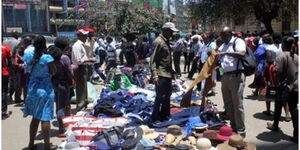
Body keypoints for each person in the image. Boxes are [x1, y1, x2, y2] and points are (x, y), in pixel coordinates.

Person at [23, 35, 57, 150]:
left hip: (32, 89)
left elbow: (26, 70)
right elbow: (54, 71)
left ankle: (31, 144)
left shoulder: (28, 56)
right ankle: (47, 146)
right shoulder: (47, 57)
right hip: (45, 89)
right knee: (45, 117)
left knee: (35, 117)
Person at [267, 36, 298, 143]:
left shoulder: (281, 56)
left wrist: (272, 68)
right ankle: (297, 134)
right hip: (295, 87)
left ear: (284, 45)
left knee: (278, 106)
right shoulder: (297, 57)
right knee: (294, 109)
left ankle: (275, 125)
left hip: (283, 87)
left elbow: (277, 71)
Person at [217, 27, 247, 137]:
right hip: (225, 76)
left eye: (224, 35)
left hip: (236, 76)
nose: (222, 37)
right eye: (221, 35)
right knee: (228, 104)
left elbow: (242, 54)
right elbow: (218, 55)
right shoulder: (223, 44)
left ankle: (241, 131)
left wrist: (226, 53)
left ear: (229, 33)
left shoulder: (237, 41)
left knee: (237, 104)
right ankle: (233, 127)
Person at [150, 22, 178, 122]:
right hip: (161, 74)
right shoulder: (158, 42)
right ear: (166, 31)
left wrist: (172, 71)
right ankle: (155, 117)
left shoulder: (165, 41)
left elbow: (166, 60)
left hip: (167, 73)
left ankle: (165, 116)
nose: (172, 34)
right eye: (171, 32)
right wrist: (154, 74)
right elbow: (152, 60)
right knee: (160, 97)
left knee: (167, 96)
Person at [72, 29, 95, 110]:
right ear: (79, 36)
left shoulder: (82, 45)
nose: (86, 37)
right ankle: (80, 106)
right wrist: (90, 60)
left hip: (83, 67)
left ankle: (84, 104)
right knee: (80, 88)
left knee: (84, 87)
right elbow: (78, 60)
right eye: (84, 35)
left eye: (86, 35)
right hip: (79, 68)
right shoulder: (77, 46)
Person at [13, 36, 32, 103]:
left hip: (22, 69)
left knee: (22, 85)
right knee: (23, 85)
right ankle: (21, 99)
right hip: (21, 69)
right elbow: (15, 59)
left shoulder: (21, 48)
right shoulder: (21, 48)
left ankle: (21, 99)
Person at [3, 30, 20, 102]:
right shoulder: (17, 42)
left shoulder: (4, 42)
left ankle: (7, 95)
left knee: (7, 81)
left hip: (4, 63)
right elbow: (17, 54)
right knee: (16, 81)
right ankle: (15, 97)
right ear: (16, 35)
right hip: (13, 64)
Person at [2, 43, 12, 119]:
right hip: (3, 73)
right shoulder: (6, 48)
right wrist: (11, 73)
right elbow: (10, 63)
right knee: (3, 92)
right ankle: (3, 111)